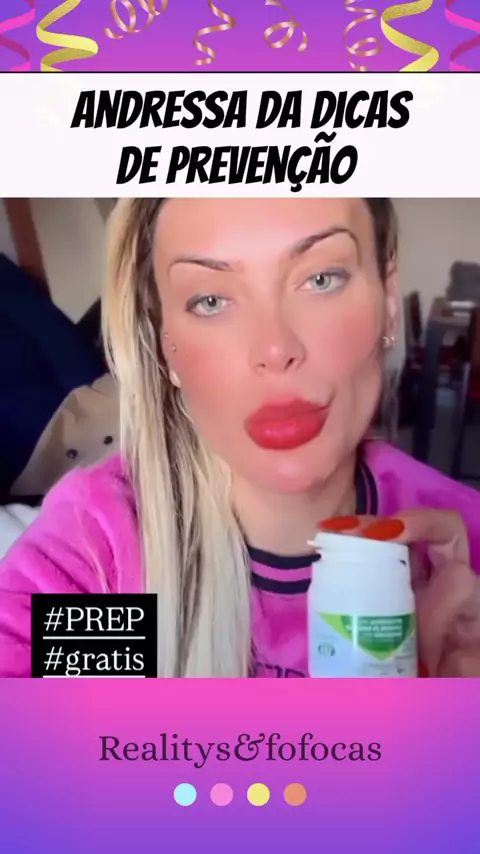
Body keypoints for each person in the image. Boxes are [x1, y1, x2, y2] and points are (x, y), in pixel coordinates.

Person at [1, 197, 480, 678]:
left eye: (321, 279)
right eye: (210, 301)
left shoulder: (461, 553)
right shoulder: (110, 559)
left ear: (388, 302)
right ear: (166, 347)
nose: (275, 348)